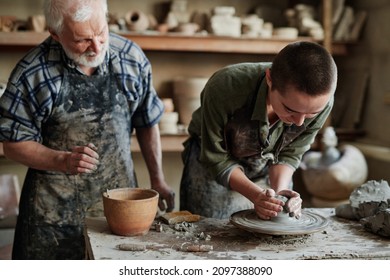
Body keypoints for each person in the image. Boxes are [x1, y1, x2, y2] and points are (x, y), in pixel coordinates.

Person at [0, 0, 175, 259]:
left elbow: (147, 121)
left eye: (101, 32)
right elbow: (13, 144)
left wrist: (158, 178)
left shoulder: (130, 57)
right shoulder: (33, 72)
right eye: (82, 40)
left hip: (119, 207)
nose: (96, 46)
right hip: (52, 216)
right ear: (55, 34)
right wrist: (62, 160)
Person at [180, 41, 338, 220]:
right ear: (269, 79)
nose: (300, 122)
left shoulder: (322, 102)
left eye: (311, 114)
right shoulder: (225, 87)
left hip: (265, 162)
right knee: (207, 231)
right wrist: (256, 195)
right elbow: (216, 158)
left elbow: (289, 154)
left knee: (274, 223)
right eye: (290, 109)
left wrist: (279, 195)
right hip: (212, 158)